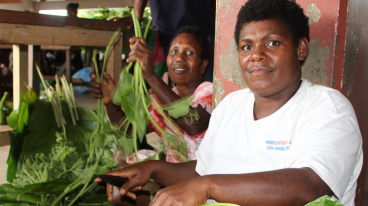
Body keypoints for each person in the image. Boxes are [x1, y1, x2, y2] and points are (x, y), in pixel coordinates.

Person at [95, 0, 363, 205]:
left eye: (272, 43)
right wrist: (150, 168)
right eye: (247, 46)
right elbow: (202, 170)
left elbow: (309, 185)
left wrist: (208, 187)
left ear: (301, 48)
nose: (256, 55)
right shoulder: (231, 106)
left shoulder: (327, 108)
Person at [90, 26, 213, 163]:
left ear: (203, 65)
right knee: (126, 155)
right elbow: (132, 132)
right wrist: (110, 102)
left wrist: (150, 75)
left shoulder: (209, 91)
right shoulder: (163, 99)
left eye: (189, 53)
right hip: (174, 170)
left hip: (200, 174)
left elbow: (193, 125)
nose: (179, 58)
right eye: (174, 51)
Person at [132, 0, 215, 82]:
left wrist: (137, 19)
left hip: (200, 25)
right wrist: (137, 19)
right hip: (168, 28)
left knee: (206, 82)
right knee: (178, 80)